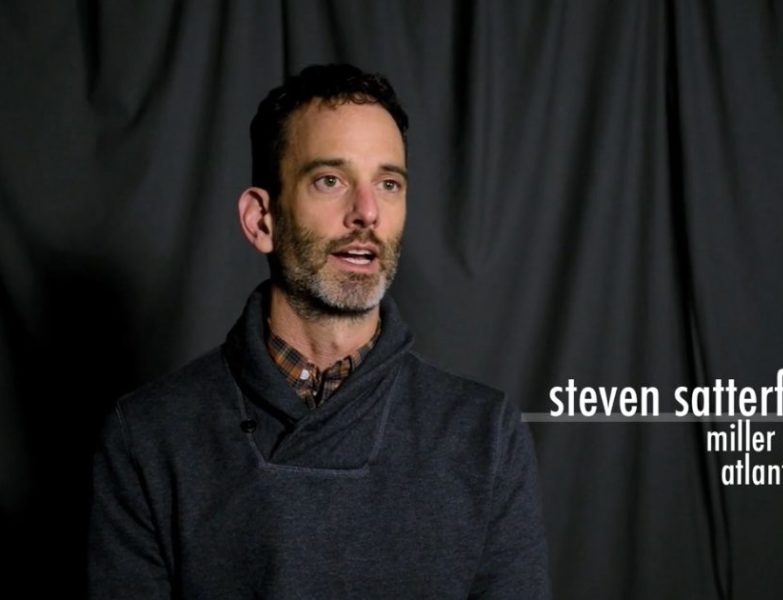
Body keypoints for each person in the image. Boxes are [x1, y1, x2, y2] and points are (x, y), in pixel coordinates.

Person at [88, 64, 550, 599]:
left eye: (389, 184)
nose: (367, 213)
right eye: (330, 180)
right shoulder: (148, 437)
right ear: (262, 220)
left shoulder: (485, 436)